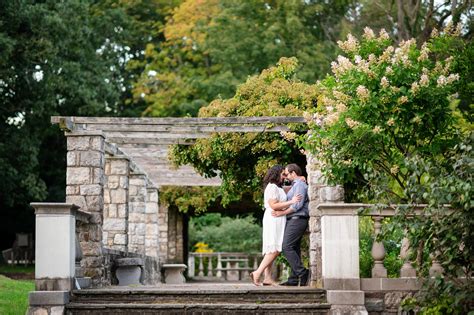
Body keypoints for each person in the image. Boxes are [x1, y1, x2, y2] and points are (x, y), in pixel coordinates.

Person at [250, 165, 302, 286]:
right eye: (283, 174)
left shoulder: (277, 187)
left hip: (277, 217)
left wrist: (300, 179)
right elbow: (274, 205)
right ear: (276, 174)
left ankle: (267, 278)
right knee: (275, 248)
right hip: (274, 217)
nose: (285, 177)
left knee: (271, 247)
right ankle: (257, 272)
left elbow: (288, 190)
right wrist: (292, 201)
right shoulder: (272, 187)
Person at [272, 163, 310, 286]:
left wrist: (282, 213)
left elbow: (297, 205)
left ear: (294, 173)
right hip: (294, 219)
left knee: (286, 247)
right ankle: (294, 279)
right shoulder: (296, 184)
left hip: (297, 219)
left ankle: (302, 272)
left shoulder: (299, 185)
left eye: (287, 174)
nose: (286, 177)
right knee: (294, 248)